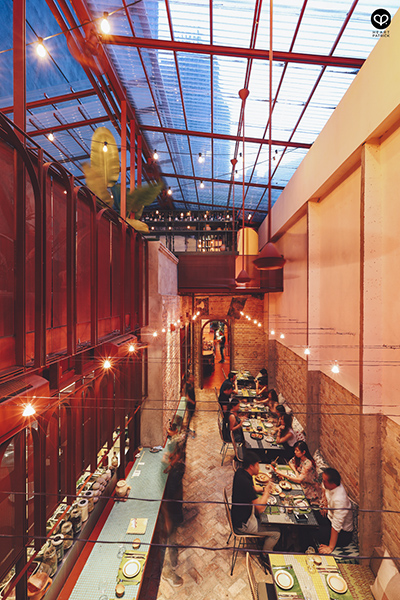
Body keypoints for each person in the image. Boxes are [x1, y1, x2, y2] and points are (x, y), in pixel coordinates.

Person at [231, 451, 280, 558]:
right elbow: (260, 508)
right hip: (243, 523)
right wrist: (266, 491)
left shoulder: (241, 472)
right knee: (276, 533)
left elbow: (253, 489)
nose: (259, 468)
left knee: (268, 520)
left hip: (239, 514)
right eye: (257, 465)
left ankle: (263, 541)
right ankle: (265, 555)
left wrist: (263, 488)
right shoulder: (245, 482)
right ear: (251, 466)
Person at [317, 468, 353, 554]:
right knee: (310, 518)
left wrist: (330, 547)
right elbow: (324, 488)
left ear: (332, 484)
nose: (322, 482)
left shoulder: (340, 500)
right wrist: (325, 504)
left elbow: (336, 526)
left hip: (342, 534)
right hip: (329, 519)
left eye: (324, 481)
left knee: (313, 532)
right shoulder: (329, 486)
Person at [275, 441, 321, 507]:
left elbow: (299, 480)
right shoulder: (299, 457)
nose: (295, 452)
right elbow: (290, 462)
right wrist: (296, 471)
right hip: (300, 481)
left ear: (303, 452)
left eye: (297, 450)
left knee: (289, 495)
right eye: (295, 450)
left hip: (309, 487)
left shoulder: (308, 464)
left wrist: (282, 474)